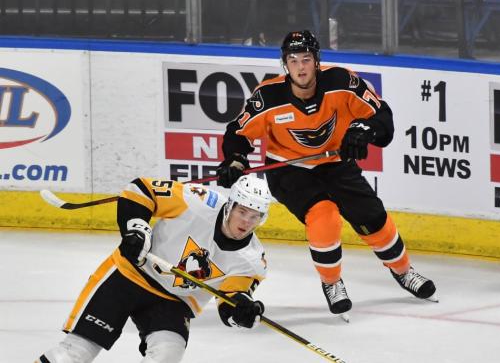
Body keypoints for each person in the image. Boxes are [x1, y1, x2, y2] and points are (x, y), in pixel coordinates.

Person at [217, 30, 436, 319]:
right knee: (324, 214)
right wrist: (235, 159)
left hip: (335, 162)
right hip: (288, 169)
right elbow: (238, 132)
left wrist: (366, 130)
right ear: (285, 64)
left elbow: (383, 117)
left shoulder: (342, 82)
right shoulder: (268, 96)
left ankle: (404, 271)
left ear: (317, 61)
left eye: (306, 59)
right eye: (293, 60)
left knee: (371, 216)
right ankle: (332, 283)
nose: (300, 66)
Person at [37, 175, 271, 363]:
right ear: (230, 206)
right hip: (130, 276)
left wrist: (241, 311)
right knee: (76, 352)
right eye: (242, 212)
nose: (246, 222)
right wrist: (137, 229)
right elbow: (141, 189)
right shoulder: (198, 201)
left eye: (255, 216)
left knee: (167, 355)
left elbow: (231, 299)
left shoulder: (251, 259)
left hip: (174, 302)